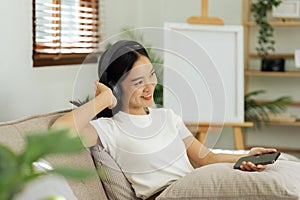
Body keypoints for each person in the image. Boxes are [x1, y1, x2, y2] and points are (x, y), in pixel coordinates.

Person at [52, 40, 277, 199]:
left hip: (195, 187)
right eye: (138, 81)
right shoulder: (107, 129)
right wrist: (104, 99)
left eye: (151, 74)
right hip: (167, 195)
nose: (150, 86)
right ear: (116, 87)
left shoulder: (168, 117)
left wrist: (244, 157)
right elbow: (56, 133)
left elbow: (206, 158)